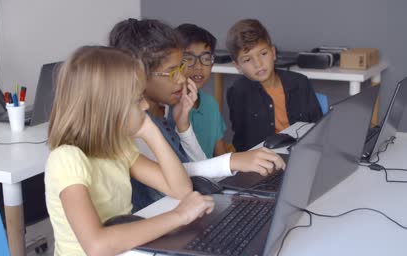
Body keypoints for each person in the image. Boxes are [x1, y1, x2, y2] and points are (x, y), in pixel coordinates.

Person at [45, 46, 214, 256]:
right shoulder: (67, 159)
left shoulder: (117, 148)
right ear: (108, 109)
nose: (145, 105)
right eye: (137, 100)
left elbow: (180, 189)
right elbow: (97, 246)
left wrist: (150, 131)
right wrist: (179, 216)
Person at [109, 18, 285, 211]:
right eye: (171, 71)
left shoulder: (167, 108)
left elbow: (197, 170)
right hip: (155, 215)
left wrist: (183, 126)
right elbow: (169, 176)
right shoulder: (131, 124)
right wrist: (231, 160)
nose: (182, 78)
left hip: (184, 207)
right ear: (139, 74)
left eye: (181, 68)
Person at [226, 19, 323, 151]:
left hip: (301, 153)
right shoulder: (238, 91)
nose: (258, 64)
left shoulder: (300, 82)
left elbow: (318, 128)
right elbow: (241, 140)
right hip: (261, 160)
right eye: (248, 59)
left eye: (263, 54)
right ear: (237, 66)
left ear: (273, 52)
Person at [175, 23, 227, 158]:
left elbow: (220, 155)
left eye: (205, 58)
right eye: (189, 59)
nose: (199, 66)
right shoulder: (169, 108)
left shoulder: (211, 104)